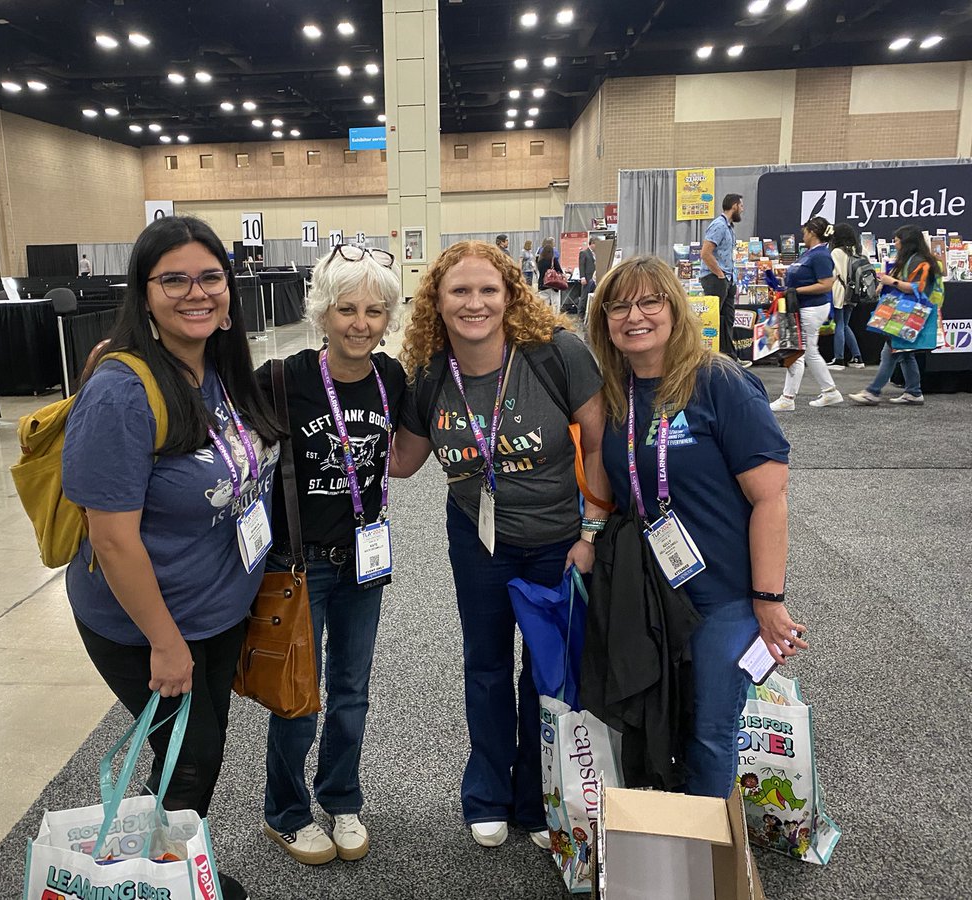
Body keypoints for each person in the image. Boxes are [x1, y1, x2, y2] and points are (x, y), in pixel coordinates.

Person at [62, 215, 283, 900]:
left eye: (210, 277)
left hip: (215, 610)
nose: (197, 293)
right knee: (193, 756)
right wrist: (164, 641)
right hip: (147, 625)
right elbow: (112, 539)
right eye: (175, 279)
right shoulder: (122, 391)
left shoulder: (217, 368)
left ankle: (167, 869)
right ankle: (159, 881)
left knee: (196, 749)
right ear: (145, 290)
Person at [390, 240, 612, 850]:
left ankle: (538, 799)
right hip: (478, 538)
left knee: (545, 670)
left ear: (511, 294)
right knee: (485, 665)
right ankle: (486, 792)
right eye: (459, 290)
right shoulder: (432, 374)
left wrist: (592, 529)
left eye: (488, 289)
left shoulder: (555, 353)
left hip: (557, 538)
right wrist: (344, 399)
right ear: (436, 300)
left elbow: (597, 445)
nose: (474, 302)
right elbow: (403, 462)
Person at [586, 255, 806, 797]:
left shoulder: (720, 383)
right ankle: (662, 841)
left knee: (709, 732)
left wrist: (768, 599)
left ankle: (703, 861)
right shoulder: (614, 394)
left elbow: (771, 498)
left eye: (648, 302)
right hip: (649, 596)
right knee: (656, 724)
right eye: (618, 306)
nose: (633, 316)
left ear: (674, 308)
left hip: (722, 596)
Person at [255, 244, 407, 865]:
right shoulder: (283, 378)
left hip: (363, 558)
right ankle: (285, 811)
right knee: (298, 690)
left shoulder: (390, 379)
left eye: (374, 311)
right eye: (347, 309)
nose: (360, 323)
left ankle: (341, 795)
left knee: (352, 688)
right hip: (299, 562)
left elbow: (405, 452)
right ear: (322, 312)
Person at [849, 224, 942, 406]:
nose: (895, 243)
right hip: (907, 315)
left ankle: (872, 391)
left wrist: (890, 281)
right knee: (904, 354)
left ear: (906, 242)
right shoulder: (913, 260)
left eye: (897, 240)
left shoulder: (918, 262)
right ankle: (913, 392)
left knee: (890, 353)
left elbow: (916, 288)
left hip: (907, 315)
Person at [768, 216, 845, 411]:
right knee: (807, 350)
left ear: (812, 232)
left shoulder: (820, 256)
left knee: (800, 351)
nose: (803, 234)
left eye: (805, 231)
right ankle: (829, 391)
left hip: (812, 307)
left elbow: (826, 284)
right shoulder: (811, 253)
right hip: (804, 306)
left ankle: (789, 397)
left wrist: (795, 291)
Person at [699, 193, 742, 361]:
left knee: (727, 319)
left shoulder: (729, 227)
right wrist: (719, 275)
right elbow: (705, 253)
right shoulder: (718, 226)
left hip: (728, 278)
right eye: (741, 206)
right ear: (734, 206)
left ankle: (730, 357)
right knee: (713, 319)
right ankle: (709, 357)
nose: (742, 209)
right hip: (715, 278)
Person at [826, 223, 865, 370]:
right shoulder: (859, 250)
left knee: (840, 324)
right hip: (854, 293)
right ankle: (857, 357)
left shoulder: (836, 252)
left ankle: (839, 359)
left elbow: (833, 274)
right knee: (845, 324)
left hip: (840, 292)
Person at [536, 237, 563, 309]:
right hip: (553, 285)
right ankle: (555, 319)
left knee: (544, 305)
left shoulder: (539, 261)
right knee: (555, 304)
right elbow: (559, 271)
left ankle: (546, 318)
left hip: (542, 284)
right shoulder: (553, 260)